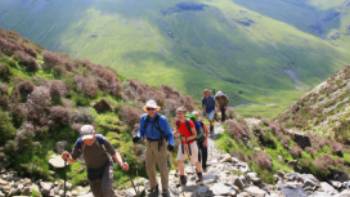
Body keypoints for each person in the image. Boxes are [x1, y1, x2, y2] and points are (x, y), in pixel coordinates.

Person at [61, 125, 129, 197]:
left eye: (90, 138)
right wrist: (67, 158)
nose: (88, 141)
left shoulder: (100, 139)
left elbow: (114, 153)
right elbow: (72, 160)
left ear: (94, 134)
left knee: (107, 190)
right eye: (85, 139)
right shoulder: (79, 143)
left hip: (105, 167)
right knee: (98, 195)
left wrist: (122, 164)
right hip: (92, 171)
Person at [133, 99, 175, 197]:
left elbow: (169, 134)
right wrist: (138, 136)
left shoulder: (162, 119)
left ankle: (165, 189)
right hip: (148, 143)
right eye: (149, 108)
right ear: (146, 109)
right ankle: (154, 186)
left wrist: (171, 143)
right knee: (149, 166)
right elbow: (141, 131)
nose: (151, 110)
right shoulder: (143, 118)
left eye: (153, 108)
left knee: (162, 167)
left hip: (160, 144)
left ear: (156, 109)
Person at [175, 107, 203, 186]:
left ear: (184, 114)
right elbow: (178, 131)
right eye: (178, 113)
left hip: (191, 143)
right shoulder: (177, 122)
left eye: (181, 113)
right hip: (183, 143)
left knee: (196, 160)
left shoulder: (189, 122)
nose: (179, 115)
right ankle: (182, 178)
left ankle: (200, 175)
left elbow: (195, 135)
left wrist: (187, 138)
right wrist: (173, 134)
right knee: (179, 160)